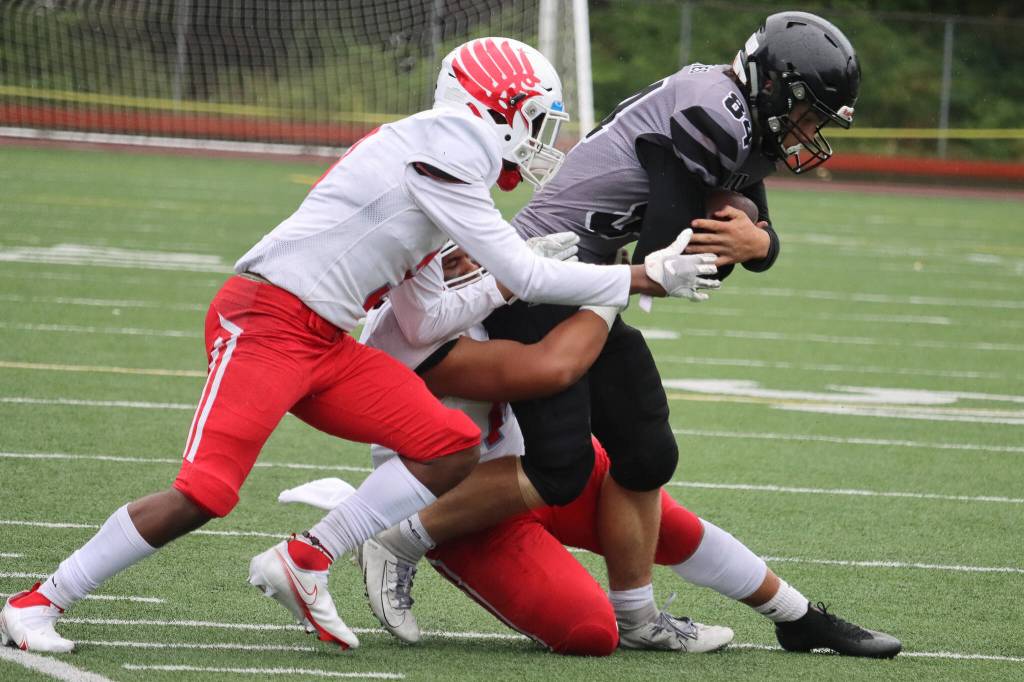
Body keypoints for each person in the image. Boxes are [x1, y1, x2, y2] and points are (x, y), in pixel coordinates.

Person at [0, 37, 718, 654]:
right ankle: (37, 603)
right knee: (205, 494)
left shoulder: (441, 163)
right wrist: (643, 275)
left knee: (449, 444)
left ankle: (308, 555)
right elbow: (529, 274)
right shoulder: (450, 146)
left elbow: (429, 319)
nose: (539, 140)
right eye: (534, 119)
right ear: (498, 108)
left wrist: (503, 285)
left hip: (324, 339)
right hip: (265, 322)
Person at [285, 237, 900, 658]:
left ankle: (798, 617)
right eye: (446, 251)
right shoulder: (409, 333)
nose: (468, 255)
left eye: (468, 239)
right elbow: (548, 369)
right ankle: (401, 534)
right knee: (586, 632)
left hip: (541, 464)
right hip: (461, 505)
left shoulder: (494, 283)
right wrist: (615, 286)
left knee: (651, 496)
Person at [480, 10, 863, 644]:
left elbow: (745, 240)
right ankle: (397, 534)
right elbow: (667, 259)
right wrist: (746, 241)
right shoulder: (716, 112)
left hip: (588, 286)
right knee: (560, 466)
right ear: (775, 86)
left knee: (646, 453)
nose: (808, 129)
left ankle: (637, 619)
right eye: (806, 112)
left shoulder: (744, 118)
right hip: (534, 279)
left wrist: (758, 243)